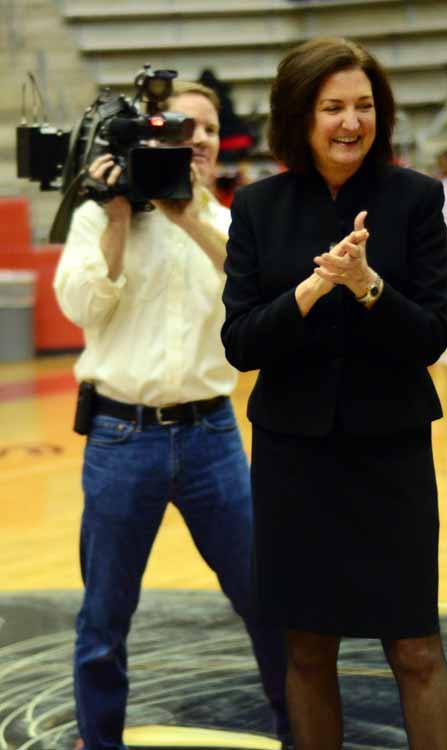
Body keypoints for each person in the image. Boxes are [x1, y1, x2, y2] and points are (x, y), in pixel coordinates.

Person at [220, 37, 447, 750]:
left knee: (415, 648)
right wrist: (313, 288)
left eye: (362, 106)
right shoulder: (258, 207)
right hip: (294, 456)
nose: (350, 121)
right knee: (306, 649)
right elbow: (241, 343)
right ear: (300, 116)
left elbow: (429, 337)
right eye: (332, 107)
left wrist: (366, 286)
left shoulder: (415, 198)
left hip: (390, 451)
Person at [53, 81, 288, 750]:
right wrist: (122, 218)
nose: (201, 140)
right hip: (120, 435)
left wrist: (184, 214)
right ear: (157, 137)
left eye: (210, 129)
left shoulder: (233, 223)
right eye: (186, 129)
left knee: (264, 602)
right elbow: (81, 308)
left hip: (213, 434)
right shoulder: (101, 216)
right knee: (104, 618)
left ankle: (300, 733)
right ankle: (99, 743)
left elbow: (259, 289)